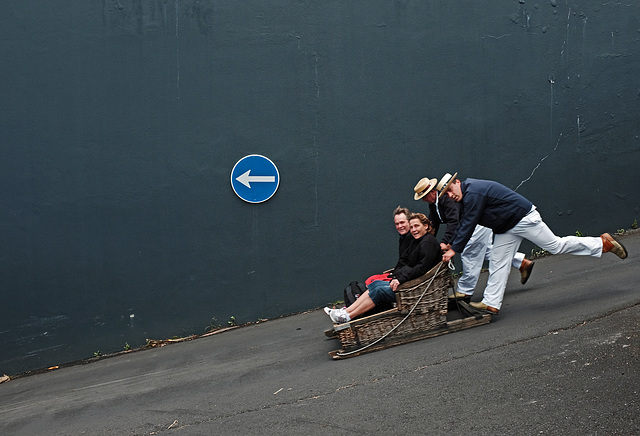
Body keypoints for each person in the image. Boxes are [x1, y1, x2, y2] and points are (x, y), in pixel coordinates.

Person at [438, 172, 628, 314]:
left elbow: (469, 223)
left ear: (457, 182)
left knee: (555, 245)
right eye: (446, 195)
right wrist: (450, 243)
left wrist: (454, 249)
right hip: (506, 227)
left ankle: (602, 244)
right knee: (498, 261)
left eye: (450, 190)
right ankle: (491, 303)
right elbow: (463, 223)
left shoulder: (473, 192)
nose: (450, 195)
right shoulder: (467, 196)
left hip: (523, 219)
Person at [413, 177, 534, 300]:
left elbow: (454, 221)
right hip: (470, 226)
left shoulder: (446, 199)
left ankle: (465, 291)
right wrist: (427, 242)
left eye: (424, 196)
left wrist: (447, 242)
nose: (423, 200)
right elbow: (433, 224)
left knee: (470, 253)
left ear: (432, 192)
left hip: (475, 225)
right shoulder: (433, 205)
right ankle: (521, 262)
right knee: (483, 251)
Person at [324, 213, 441, 324]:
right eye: (411, 227)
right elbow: (405, 263)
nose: (414, 230)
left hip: (415, 288)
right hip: (408, 282)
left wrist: (400, 280)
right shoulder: (417, 241)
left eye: (417, 226)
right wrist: (396, 276)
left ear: (426, 226)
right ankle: (345, 312)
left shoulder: (428, 243)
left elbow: (421, 268)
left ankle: (348, 317)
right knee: (375, 284)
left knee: (379, 291)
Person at [364, 206, 415, 286]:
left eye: (402, 222)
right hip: (398, 274)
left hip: (403, 279)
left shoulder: (413, 238)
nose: (400, 226)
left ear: (409, 222)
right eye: (397, 224)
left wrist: (394, 275)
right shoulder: (403, 238)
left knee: (373, 282)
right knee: (371, 280)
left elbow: (409, 265)